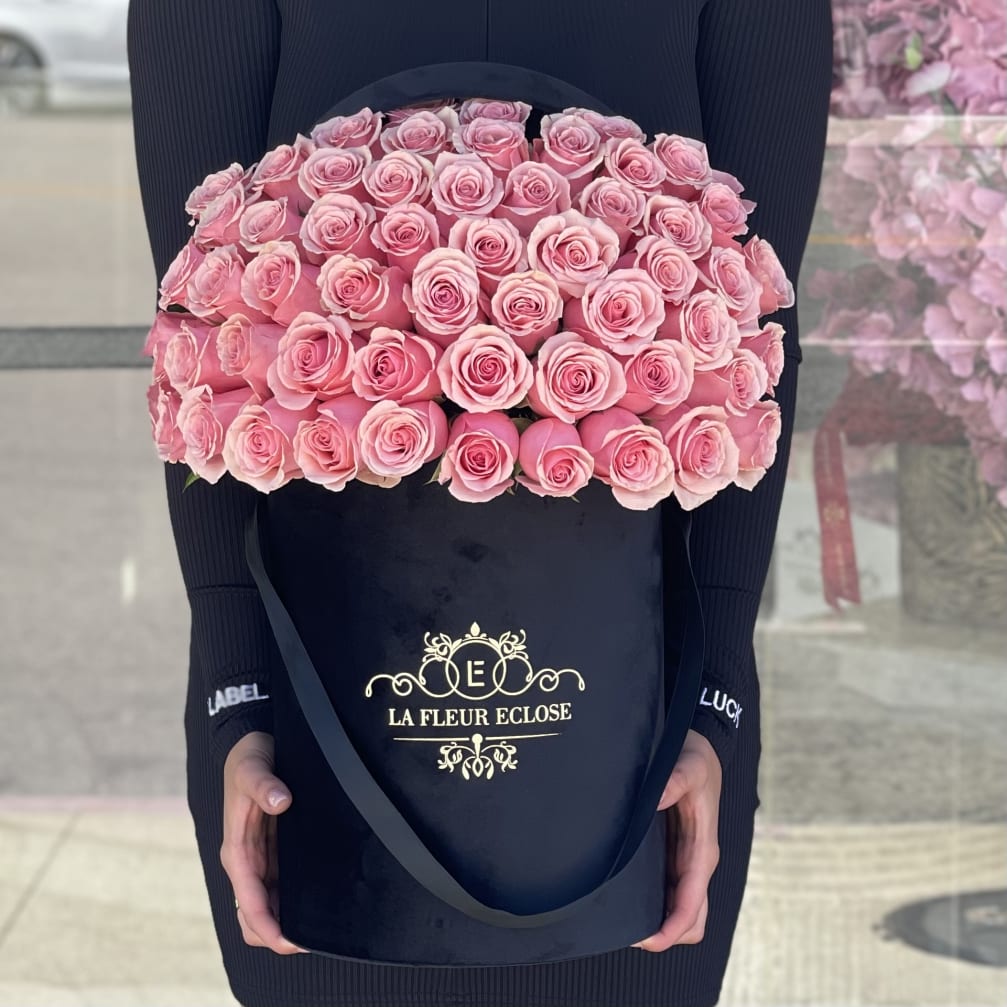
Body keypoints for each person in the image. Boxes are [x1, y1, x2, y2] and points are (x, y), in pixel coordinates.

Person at [126, 0, 832, 1003]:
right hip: (315, 724)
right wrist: (238, 695)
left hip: (644, 739)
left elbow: (758, 338)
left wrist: (711, 698)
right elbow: (197, 331)